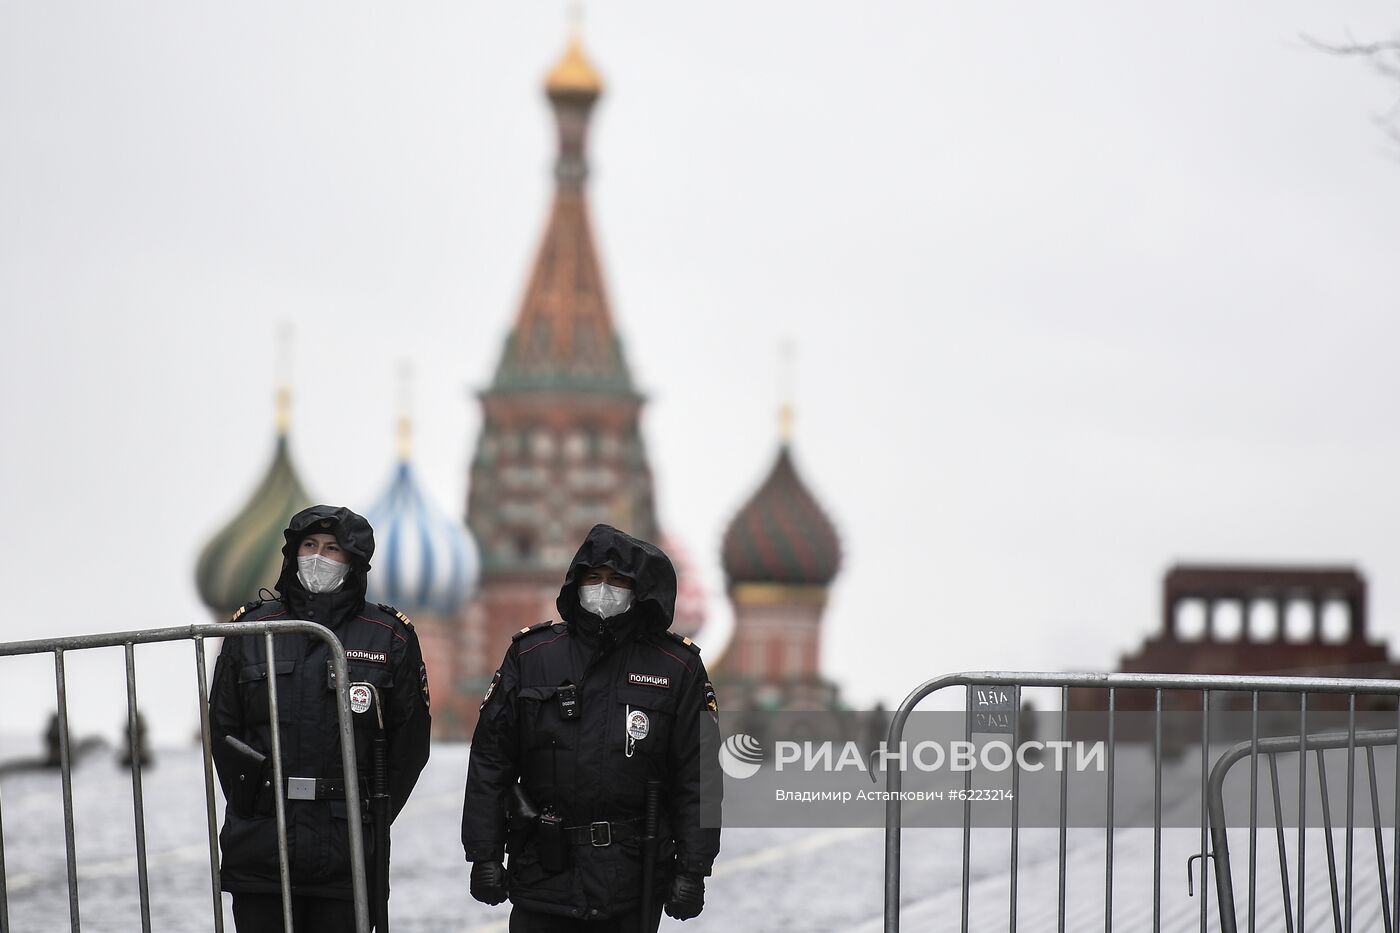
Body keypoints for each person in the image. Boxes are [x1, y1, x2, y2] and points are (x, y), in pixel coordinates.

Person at [462, 524, 721, 932]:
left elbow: (699, 777)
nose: (604, 589)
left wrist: (693, 868)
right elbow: (491, 761)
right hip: (544, 868)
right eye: (594, 578)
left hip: (633, 878)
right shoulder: (533, 655)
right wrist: (484, 853)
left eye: (618, 580)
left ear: (640, 590)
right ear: (576, 583)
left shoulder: (676, 667)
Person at [210, 504, 432, 931]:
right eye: (309, 545)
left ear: (354, 561)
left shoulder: (388, 636)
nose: (317, 557)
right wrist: (251, 797)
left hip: (345, 848)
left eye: (332, 549)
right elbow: (224, 728)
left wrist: (368, 813)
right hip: (261, 842)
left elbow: (410, 742)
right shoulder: (253, 630)